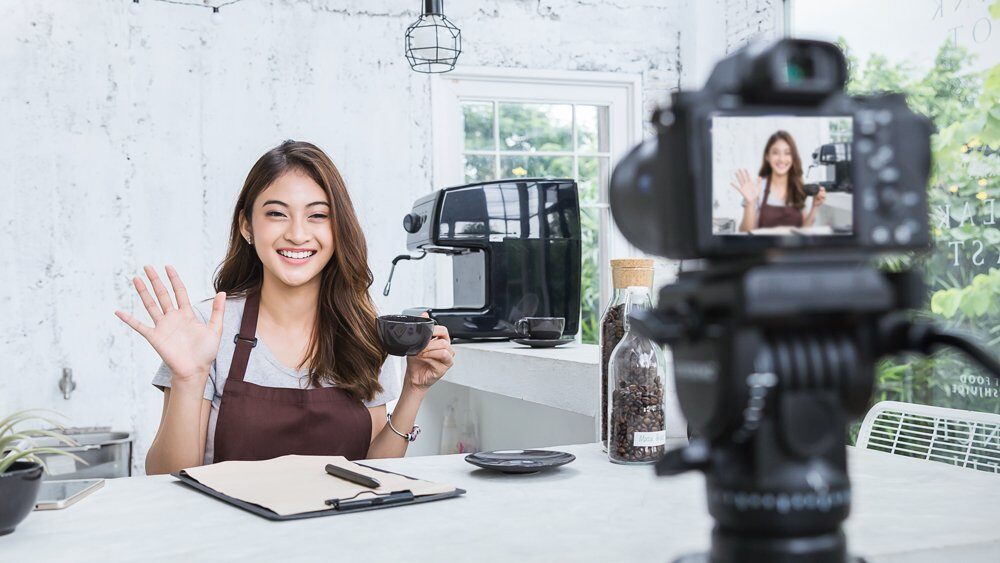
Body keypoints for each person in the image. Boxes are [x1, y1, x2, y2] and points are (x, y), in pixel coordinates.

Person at [114, 140, 455, 475]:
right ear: (247, 226)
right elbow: (165, 476)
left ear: (338, 228)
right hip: (227, 515)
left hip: (341, 515)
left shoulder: (361, 332)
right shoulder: (206, 330)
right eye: (277, 213)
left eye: (317, 215)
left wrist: (413, 390)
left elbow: (375, 472)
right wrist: (189, 379)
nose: (297, 234)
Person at [731, 130, 826, 232]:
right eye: (775, 153)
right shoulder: (756, 189)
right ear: (767, 156)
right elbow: (745, 232)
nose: (781, 159)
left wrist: (814, 207)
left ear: (793, 157)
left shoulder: (799, 188)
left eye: (787, 153)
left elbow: (803, 231)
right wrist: (750, 203)